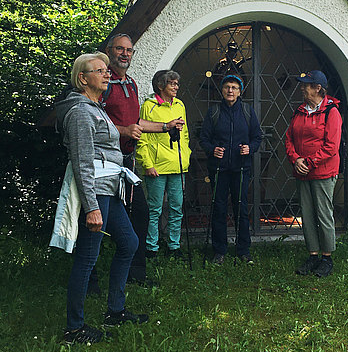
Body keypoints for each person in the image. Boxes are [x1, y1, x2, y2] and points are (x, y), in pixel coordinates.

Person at [53, 52, 147, 345]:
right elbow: (81, 161)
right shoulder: (81, 112)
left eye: (107, 70)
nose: (107, 74)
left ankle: (115, 311)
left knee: (129, 242)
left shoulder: (96, 107)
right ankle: (74, 329)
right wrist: (92, 207)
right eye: (100, 71)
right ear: (83, 78)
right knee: (87, 257)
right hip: (96, 192)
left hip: (110, 189)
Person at [98, 33, 184, 286]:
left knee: (141, 214)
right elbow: (95, 119)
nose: (125, 54)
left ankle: (136, 273)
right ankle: (91, 279)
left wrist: (165, 126)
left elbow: (136, 122)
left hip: (126, 162)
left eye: (129, 50)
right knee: (96, 218)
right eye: (120, 49)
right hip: (103, 162)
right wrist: (122, 131)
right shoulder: (103, 82)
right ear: (109, 51)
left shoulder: (132, 83)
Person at [200, 74, 263, 264]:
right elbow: (203, 139)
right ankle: (219, 251)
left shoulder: (247, 111)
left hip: (241, 168)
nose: (230, 90)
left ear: (240, 91)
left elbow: (257, 137)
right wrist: (213, 150)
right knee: (218, 208)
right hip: (218, 168)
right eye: (227, 87)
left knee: (241, 208)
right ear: (222, 90)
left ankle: (243, 250)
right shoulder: (214, 112)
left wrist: (250, 148)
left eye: (234, 87)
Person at [285, 70, 342, 278]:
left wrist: (309, 161)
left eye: (307, 85)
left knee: (323, 214)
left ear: (318, 88)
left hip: (323, 172)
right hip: (303, 171)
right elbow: (289, 138)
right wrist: (296, 159)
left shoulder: (331, 112)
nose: (302, 87)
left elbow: (331, 146)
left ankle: (327, 258)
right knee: (307, 215)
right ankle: (313, 255)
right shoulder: (299, 111)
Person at [136, 70, 191, 258]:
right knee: (155, 209)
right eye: (172, 84)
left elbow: (184, 135)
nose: (176, 87)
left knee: (177, 208)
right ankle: (151, 247)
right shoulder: (149, 106)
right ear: (160, 86)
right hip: (156, 167)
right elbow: (142, 137)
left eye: (177, 84)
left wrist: (186, 156)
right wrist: (147, 164)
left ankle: (174, 246)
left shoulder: (180, 105)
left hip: (178, 165)